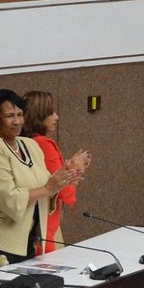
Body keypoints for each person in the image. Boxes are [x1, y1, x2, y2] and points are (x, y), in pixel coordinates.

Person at [0, 89, 82, 272]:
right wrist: (49, 187)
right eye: (9, 116)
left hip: (27, 240)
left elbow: (44, 188)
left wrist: (65, 176)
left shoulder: (30, 145)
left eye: (20, 115)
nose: (16, 121)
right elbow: (9, 199)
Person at [22, 91, 91, 250]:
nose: (56, 117)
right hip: (44, 228)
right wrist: (74, 170)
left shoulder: (21, 142)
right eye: (50, 113)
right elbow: (64, 192)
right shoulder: (44, 145)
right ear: (39, 116)